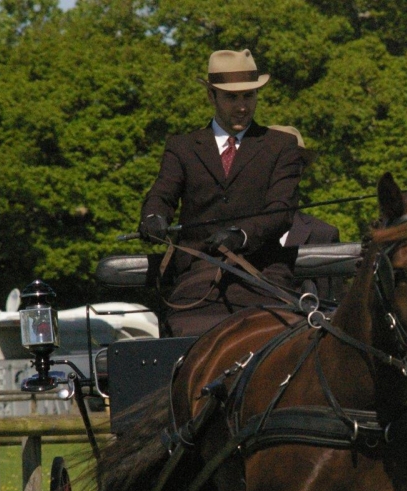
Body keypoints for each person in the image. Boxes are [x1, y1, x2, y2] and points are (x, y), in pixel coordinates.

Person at [138, 49, 302, 337]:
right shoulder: (183, 147)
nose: (242, 107)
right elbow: (162, 194)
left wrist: (242, 234)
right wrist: (153, 218)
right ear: (211, 96)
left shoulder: (281, 145)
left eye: (248, 96)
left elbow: (282, 208)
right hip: (198, 277)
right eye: (231, 97)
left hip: (263, 274)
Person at [268, 125, 345, 302]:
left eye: (291, 164)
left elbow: (331, 311)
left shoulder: (323, 235)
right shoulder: (234, 232)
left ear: (301, 171)